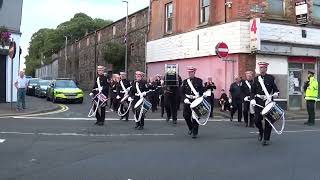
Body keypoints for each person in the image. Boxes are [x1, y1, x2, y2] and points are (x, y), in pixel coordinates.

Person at [250, 62, 280, 146]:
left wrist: (276, 93)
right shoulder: (256, 79)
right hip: (259, 101)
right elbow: (252, 91)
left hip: (268, 101)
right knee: (256, 120)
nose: (262, 69)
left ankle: (266, 139)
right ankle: (260, 131)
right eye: (261, 68)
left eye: (263, 68)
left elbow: (275, 89)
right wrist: (252, 99)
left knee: (268, 121)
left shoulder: (271, 78)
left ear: (266, 69)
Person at [182, 66, 204, 139]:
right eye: (189, 72)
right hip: (188, 100)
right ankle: (190, 127)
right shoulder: (185, 81)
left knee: (195, 116)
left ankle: (195, 132)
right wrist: (184, 98)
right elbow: (181, 92)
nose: (190, 73)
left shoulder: (199, 81)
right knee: (185, 115)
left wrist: (200, 99)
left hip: (196, 100)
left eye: (191, 72)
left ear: (194, 72)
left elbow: (201, 92)